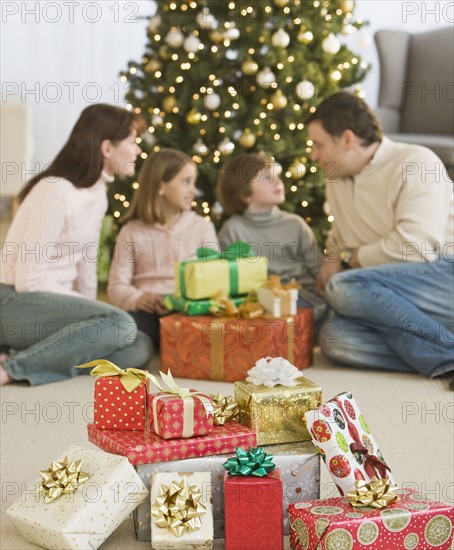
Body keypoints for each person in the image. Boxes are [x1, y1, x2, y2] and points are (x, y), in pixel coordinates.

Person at [0, 104, 153, 386]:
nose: (137, 151)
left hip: (46, 304)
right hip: (12, 300)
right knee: (121, 325)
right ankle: (12, 368)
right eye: (132, 142)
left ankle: (29, 354)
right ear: (107, 148)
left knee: (139, 344)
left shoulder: (97, 194)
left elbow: (85, 265)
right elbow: (28, 280)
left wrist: (92, 315)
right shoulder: (56, 190)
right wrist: (92, 315)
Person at [305, 91, 453, 381]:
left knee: (342, 288)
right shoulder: (335, 178)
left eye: (318, 144)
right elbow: (340, 234)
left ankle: (446, 351)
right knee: (335, 340)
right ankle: (441, 345)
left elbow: (416, 248)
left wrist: (346, 259)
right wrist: (332, 256)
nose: (314, 155)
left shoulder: (416, 162)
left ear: (347, 139)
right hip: (389, 295)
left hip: (441, 276)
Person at [107, 148, 218, 349]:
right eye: (186, 182)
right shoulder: (131, 232)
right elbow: (116, 287)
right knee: (125, 336)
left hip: (189, 313)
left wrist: (185, 301)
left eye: (193, 182)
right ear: (160, 185)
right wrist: (139, 298)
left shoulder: (202, 227)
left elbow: (216, 281)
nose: (193, 190)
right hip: (145, 314)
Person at [217, 152, 325, 323]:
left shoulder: (295, 224)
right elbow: (226, 279)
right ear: (245, 195)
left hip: (301, 301)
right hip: (258, 305)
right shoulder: (232, 230)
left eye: (277, 176)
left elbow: (320, 271)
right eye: (268, 178)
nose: (277, 182)